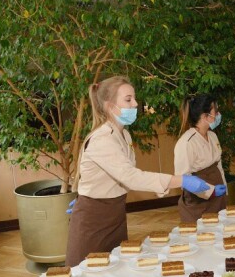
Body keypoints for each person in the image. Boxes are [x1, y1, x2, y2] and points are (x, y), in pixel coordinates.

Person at [65, 76, 209, 267]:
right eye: (128, 99)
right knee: (86, 274)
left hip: (114, 213)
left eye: (134, 98)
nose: (135, 103)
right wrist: (181, 180)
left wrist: (92, 190)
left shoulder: (124, 134)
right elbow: (131, 177)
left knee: (112, 272)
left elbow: (120, 174)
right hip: (93, 220)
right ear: (109, 106)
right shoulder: (102, 139)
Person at [174, 95, 227, 222]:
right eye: (216, 111)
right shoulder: (186, 142)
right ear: (205, 116)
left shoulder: (213, 136)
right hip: (198, 201)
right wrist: (210, 191)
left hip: (218, 197)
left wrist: (225, 189)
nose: (218, 114)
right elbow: (183, 178)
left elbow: (218, 165)